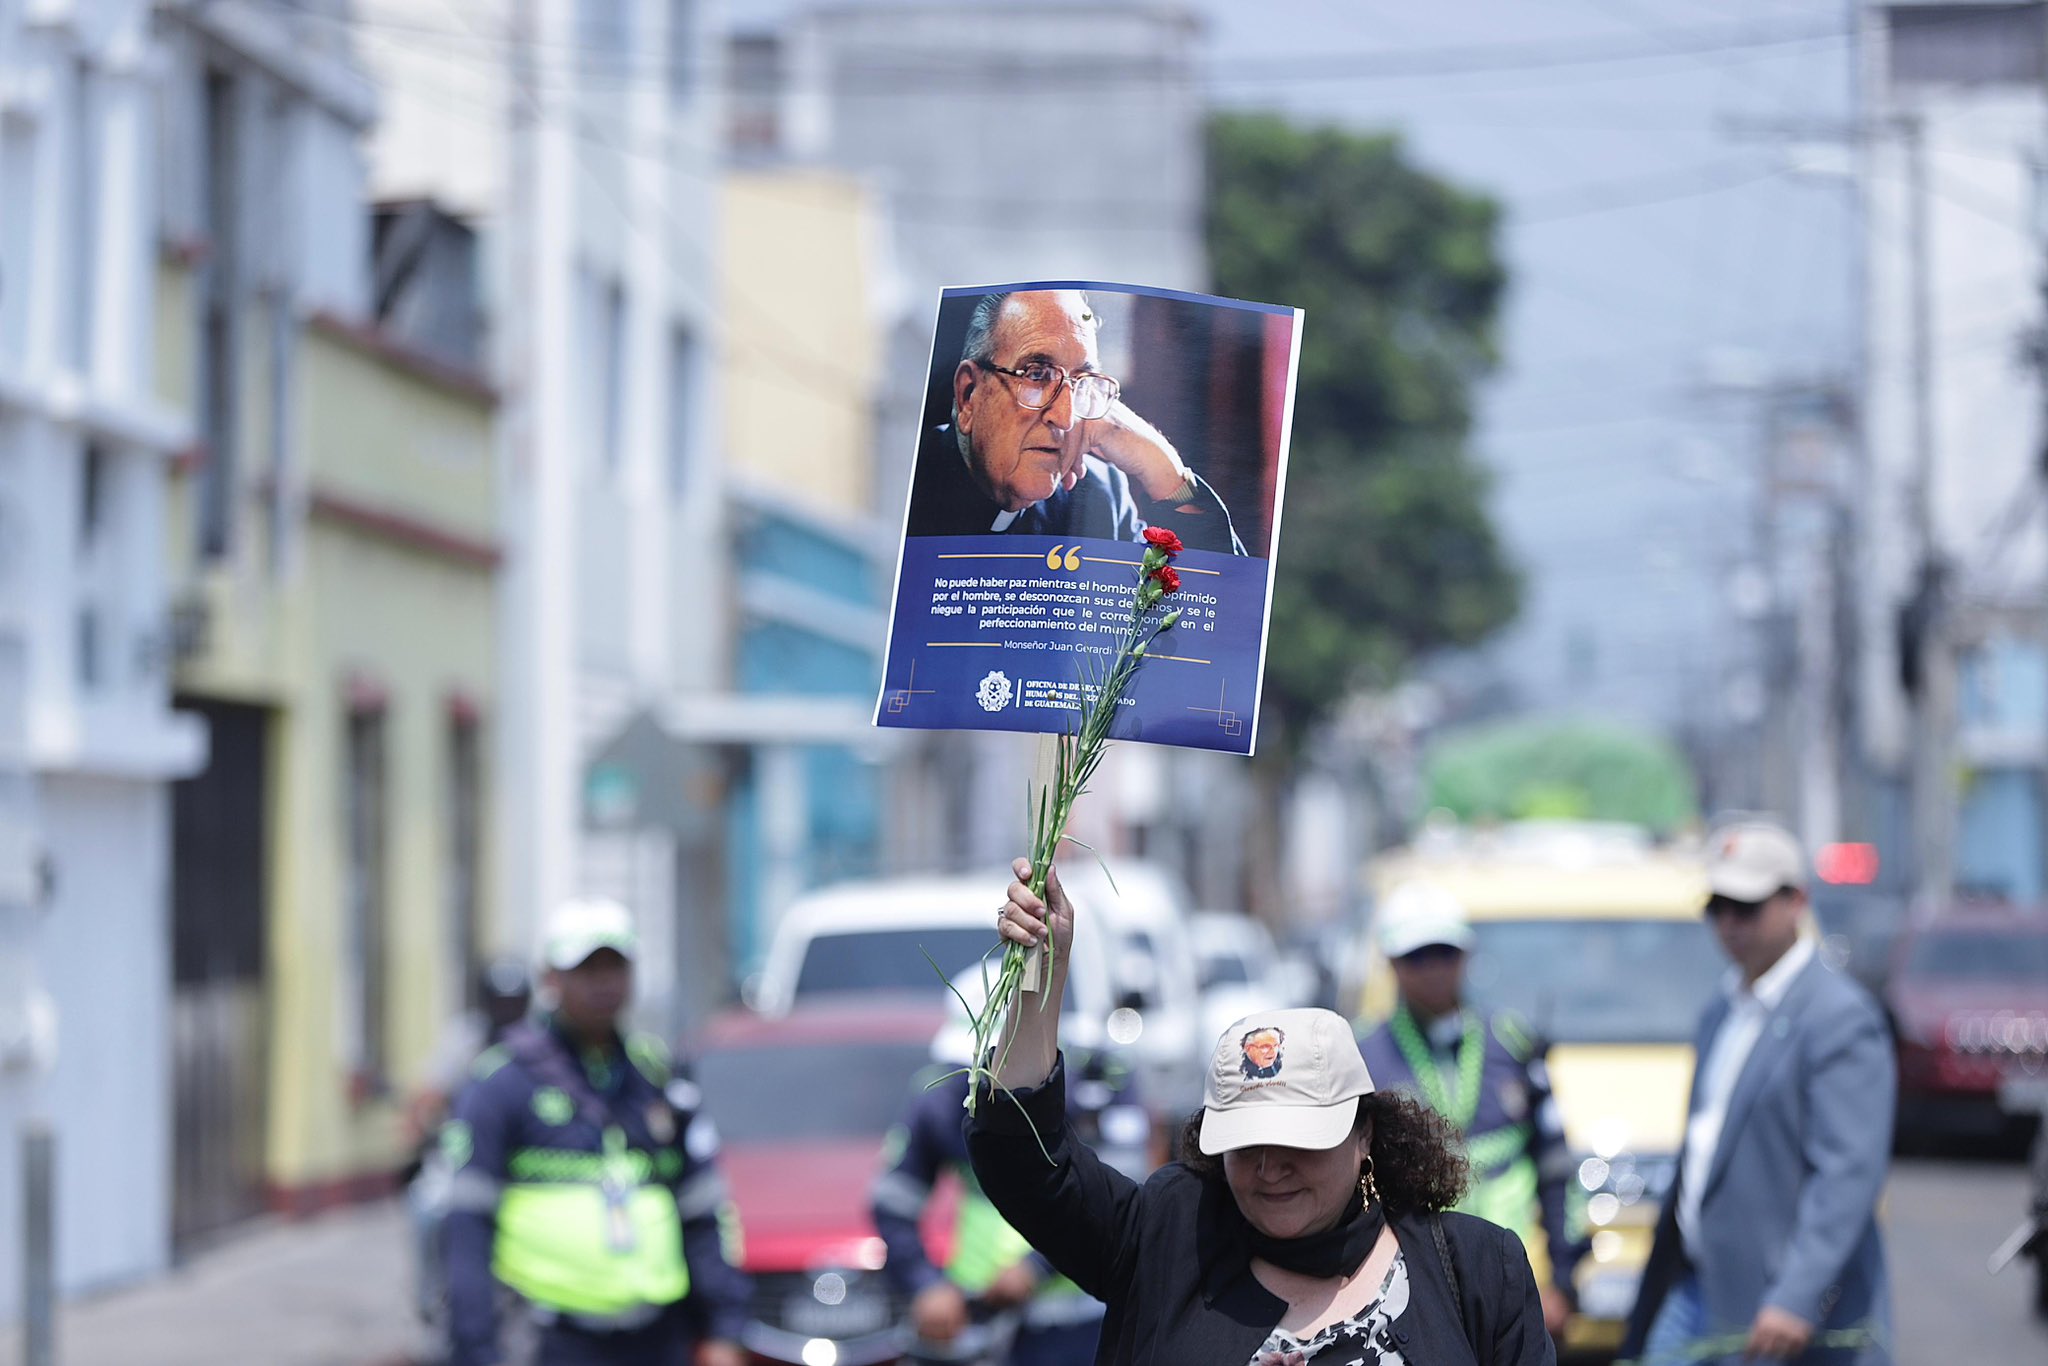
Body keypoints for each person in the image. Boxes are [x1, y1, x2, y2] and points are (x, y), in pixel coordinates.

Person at [968, 859, 1555, 1366]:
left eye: (1300, 1142)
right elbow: (1025, 1163)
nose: (1270, 1168)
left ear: (1363, 1134)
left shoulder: (1477, 1269)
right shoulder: (1170, 1237)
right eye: (1246, 1145)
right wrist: (1039, 980)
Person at [1620, 822, 1894, 1365]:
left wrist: (1798, 1294)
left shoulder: (1838, 1017)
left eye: (1745, 906)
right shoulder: (1721, 1010)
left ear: (1796, 901)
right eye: (1716, 906)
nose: (1728, 923)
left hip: (1778, 1308)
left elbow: (1846, 1175)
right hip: (1698, 1288)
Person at [440, 897, 750, 1366]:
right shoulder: (504, 1082)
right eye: (587, 970)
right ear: (551, 979)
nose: (604, 983)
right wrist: (477, 1347)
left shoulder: (657, 1076)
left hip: (657, 1337)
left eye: (616, 967)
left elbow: (704, 1210)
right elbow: (465, 1227)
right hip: (552, 1338)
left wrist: (723, 1328)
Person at [870, 969, 1147, 1365]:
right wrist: (926, 1285)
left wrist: (1035, 1268)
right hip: (978, 1322)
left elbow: (1122, 1202)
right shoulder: (942, 1097)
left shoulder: (1097, 1086)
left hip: (1078, 1325)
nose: (979, 1083)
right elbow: (893, 1201)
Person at [1356, 881, 1581, 1338]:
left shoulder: (1512, 1041)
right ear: (1391, 965)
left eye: (1445, 953)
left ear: (1467, 955)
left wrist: (1564, 1280)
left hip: (1519, 1273)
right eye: (1416, 957)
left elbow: (1556, 1165)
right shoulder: (1363, 1055)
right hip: (1411, 1284)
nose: (1433, 969)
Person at [905, 289, 1246, 554]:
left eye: (1082, 382)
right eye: (1037, 375)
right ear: (968, 396)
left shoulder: (1099, 495)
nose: (1066, 417)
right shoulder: (907, 480)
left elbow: (1221, 620)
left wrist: (1165, 471)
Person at [408, 958, 536, 1327]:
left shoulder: (541, 1042)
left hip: (527, 1158)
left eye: (514, 1003)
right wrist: (421, 1122)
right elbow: (430, 1093)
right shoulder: (466, 1039)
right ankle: (431, 1296)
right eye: (500, 1003)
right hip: (464, 1154)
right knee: (426, 1207)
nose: (507, 1012)